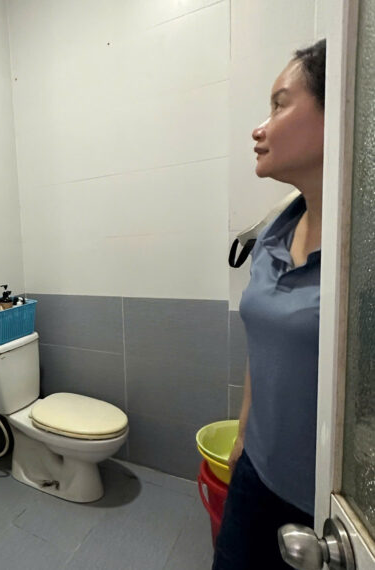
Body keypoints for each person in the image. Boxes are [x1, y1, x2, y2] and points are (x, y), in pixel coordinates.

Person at [212, 38, 326, 570]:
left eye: (280, 105)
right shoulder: (275, 232)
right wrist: (242, 432)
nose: (260, 128)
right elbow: (262, 347)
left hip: (327, 505)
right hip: (256, 475)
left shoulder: (359, 254)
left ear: (337, 111)